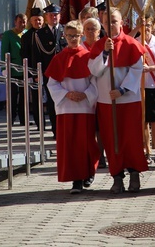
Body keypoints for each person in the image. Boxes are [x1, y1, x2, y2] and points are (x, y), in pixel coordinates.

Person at [88, 8, 148, 194]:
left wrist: (122, 90)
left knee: (131, 138)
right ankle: (117, 177)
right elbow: (94, 71)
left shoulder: (131, 44)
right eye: (106, 22)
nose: (110, 25)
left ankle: (135, 174)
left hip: (128, 100)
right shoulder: (99, 46)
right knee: (111, 138)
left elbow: (137, 70)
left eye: (114, 21)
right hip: (107, 102)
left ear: (121, 22)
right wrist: (105, 54)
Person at [45, 20, 100, 194]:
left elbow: (95, 81)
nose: (73, 39)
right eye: (69, 36)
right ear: (64, 36)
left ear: (81, 35)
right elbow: (52, 83)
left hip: (84, 106)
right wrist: (67, 94)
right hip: (66, 107)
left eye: (76, 35)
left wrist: (85, 94)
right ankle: (76, 181)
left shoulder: (88, 57)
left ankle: (88, 173)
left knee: (86, 143)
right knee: (70, 145)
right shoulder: (59, 58)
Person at [33, 3, 67, 138]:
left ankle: (65, 129)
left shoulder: (66, 30)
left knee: (66, 101)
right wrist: (37, 74)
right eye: (51, 15)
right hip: (49, 73)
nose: (54, 17)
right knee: (53, 102)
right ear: (46, 17)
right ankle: (56, 130)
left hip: (66, 73)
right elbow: (37, 56)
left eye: (56, 15)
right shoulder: (40, 34)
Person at [135, 16, 155, 164]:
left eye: (147, 25)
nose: (145, 28)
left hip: (154, 85)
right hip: (139, 87)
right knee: (142, 121)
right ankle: (146, 150)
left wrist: (150, 68)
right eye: (142, 25)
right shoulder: (135, 41)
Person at [82, 17, 106, 168]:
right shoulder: (80, 47)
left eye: (94, 29)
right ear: (83, 31)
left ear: (99, 31)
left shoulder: (104, 46)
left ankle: (102, 155)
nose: (91, 32)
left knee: (101, 126)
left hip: (103, 90)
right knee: (89, 126)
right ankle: (91, 155)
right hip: (85, 90)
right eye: (88, 29)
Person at [1, 13, 28, 125]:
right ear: (15, 22)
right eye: (20, 22)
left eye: (24, 22)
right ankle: (11, 119)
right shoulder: (8, 34)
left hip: (24, 70)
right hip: (13, 70)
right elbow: (4, 51)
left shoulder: (26, 34)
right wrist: (4, 67)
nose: (22, 24)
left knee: (24, 96)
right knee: (12, 96)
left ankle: (23, 119)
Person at [21, 7, 45, 129]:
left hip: (48, 72)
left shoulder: (47, 33)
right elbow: (24, 56)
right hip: (34, 73)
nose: (38, 22)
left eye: (39, 20)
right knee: (36, 100)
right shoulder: (26, 37)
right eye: (35, 20)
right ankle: (40, 124)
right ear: (31, 21)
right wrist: (31, 75)